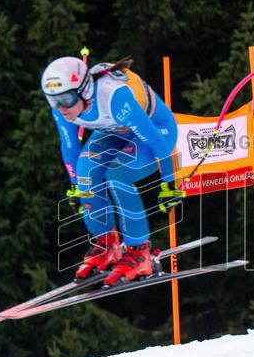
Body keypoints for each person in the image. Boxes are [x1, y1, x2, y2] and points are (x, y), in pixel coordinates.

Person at [41, 55, 185, 286]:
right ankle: (107, 245)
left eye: (66, 99)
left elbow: (156, 141)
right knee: (86, 172)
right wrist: (78, 188)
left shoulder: (114, 96)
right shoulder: (62, 109)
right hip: (115, 131)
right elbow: (70, 148)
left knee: (118, 174)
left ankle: (140, 252)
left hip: (157, 132)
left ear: (84, 90)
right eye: (52, 100)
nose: (61, 107)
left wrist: (169, 183)